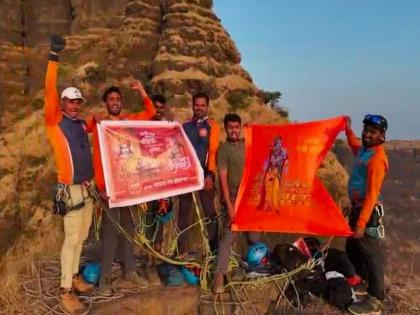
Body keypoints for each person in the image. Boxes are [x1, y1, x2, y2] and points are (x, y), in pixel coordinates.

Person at [87, 82, 156, 296]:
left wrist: (142, 91)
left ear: (121, 103)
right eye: (111, 100)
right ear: (106, 103)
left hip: (129, 185)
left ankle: (130, 272)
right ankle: (104, 280)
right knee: (110, 233)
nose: (115, 102)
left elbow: (151, 113)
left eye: (117, 99)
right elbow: (83, 127)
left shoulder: (129, 121)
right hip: (108, 188)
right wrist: (93, 118)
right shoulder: (100, 123)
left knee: (129, 230)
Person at [44, 35, 94, 314]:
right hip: (70, 189)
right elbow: (49, 91)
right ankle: (65, 291)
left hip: (86, 189)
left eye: (78, 102)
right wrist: (53, 56)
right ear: (62, 103)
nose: (75, 105)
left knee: (82, 235)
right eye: (70, 101)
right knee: (72, 238)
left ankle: (74, 277)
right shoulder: (56, 121)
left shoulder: (81, 125)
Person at [344, 115, 388, 315]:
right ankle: (363, 283)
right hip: (357, 208)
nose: (367, 135)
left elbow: (372, 195)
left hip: (367, 212)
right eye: (366, 130)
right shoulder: (365, 150)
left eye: (373, 132)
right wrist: (347, 128)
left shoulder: (377, 159)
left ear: (381, 136)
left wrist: (361, 224)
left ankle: (376, 300)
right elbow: (355, 145)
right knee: (353, 247)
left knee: (371, 254)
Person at [212, 114, 260, 294]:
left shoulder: (244, 145)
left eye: (236, 127)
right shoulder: (223, 150)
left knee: (254, 238)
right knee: (229, 237)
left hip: (250, 196)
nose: (234, 130)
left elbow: (262, 141)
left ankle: (255, 270)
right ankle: (219, 276)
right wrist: (230, 206)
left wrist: (252, 128)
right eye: (230, 127)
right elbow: (223, 180)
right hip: (233, 196)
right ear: (226, 128)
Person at [177, 92, 220, 254]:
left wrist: (210, 174)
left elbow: (213, 151)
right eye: (197, 105)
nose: (199, 108)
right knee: (184, 212)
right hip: (187, 175)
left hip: (204, 174)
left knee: (210, 212)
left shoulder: (212, 126)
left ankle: (215, 250)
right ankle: (181, 250)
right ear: (193, 105)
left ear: (207, 107)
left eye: (203, 105)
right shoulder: (185, 126)